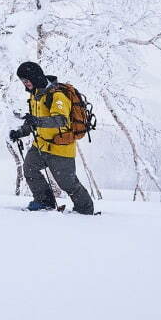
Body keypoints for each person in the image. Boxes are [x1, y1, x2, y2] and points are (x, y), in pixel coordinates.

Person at [11, 61, 95, 214]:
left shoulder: (57, 95)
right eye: (23, 80)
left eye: (27, 79)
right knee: (29, 169)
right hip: (41, 145)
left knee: (67, 184)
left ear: (35, 77)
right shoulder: (36, 95)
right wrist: (20, 132)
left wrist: (36, 121)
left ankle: (85, 210)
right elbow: (35, 121)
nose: (25, 83)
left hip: (60, 147)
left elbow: (60, 120)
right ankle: (44, 201)